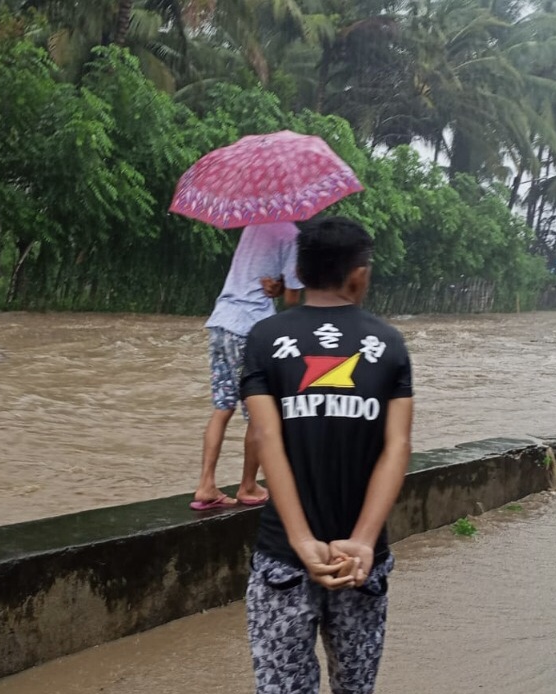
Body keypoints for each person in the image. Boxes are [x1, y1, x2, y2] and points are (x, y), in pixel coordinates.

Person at [240, 216, 414, 693]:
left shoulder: (263, 339)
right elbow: (397, 446)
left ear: (300, 270)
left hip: (283, 557)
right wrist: (362, 539)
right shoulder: (391, 344)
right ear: (359, 275)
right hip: (363, 563)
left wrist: (299, 539)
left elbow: (264, 437)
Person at [191, 222, 303, 510]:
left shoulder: (253, 225)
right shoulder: (291, 235)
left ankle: (205, 485)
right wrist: (284, 290)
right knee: (259, 410)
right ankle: (249, 486)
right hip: (249, 328)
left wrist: (275, 286)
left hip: (221, 322)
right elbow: (292, 298)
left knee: (223, 407)